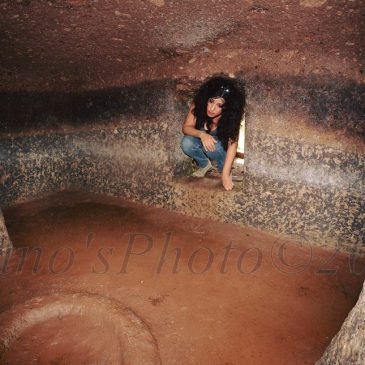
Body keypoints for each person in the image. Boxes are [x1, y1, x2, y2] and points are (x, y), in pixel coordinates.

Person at [181, 76, 245, 190]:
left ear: (226, 107)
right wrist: (202, 134)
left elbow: (233, 144)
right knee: (186, 143)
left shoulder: (231, 116)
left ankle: (224, 170)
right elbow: (186, 128)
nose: (212, 108)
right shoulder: (198, 105)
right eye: (211, 101)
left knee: (213, 147)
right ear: (206, 98)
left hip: (220, 145)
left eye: (219, 105)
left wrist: (225, 174)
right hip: (203, 138)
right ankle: (205, 165)